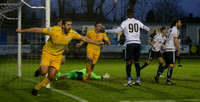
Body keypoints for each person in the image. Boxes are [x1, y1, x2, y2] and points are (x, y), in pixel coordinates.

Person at [16, 18, 104, 96]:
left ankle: (35, 89)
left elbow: (84, 38)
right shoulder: (54, 30)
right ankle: (39, 70)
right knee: (43, 72)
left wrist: (97, 43)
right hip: (47, 53)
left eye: (71, 25)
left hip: (58, 56)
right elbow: (37, 30)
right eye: (68, 25)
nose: (70, 27)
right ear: (63, 25)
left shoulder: (72, 33)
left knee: (51, 76)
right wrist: (22, 31)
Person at [105, 8, 150, 86]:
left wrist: (105, 31)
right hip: (138, 43)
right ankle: (138, 80)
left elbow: (116, 31)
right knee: (137, 62)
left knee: (128, 62)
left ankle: (129, 81)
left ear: (127, 14)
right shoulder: (138, 22)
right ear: (133, 14)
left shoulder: (125, 22)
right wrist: (139, 29)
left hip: (130, 43)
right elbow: (148, 29)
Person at [155, 18, 182, 85]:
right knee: (172, 65)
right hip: (171, 49)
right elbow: (176, 41)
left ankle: (158, 75)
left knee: (167, 65)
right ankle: (168, 81)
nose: (180, 24)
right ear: (176, 23)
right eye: (180, 22)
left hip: (166, 49)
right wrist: (178, 50)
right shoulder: (175, 30)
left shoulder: (170, 30)